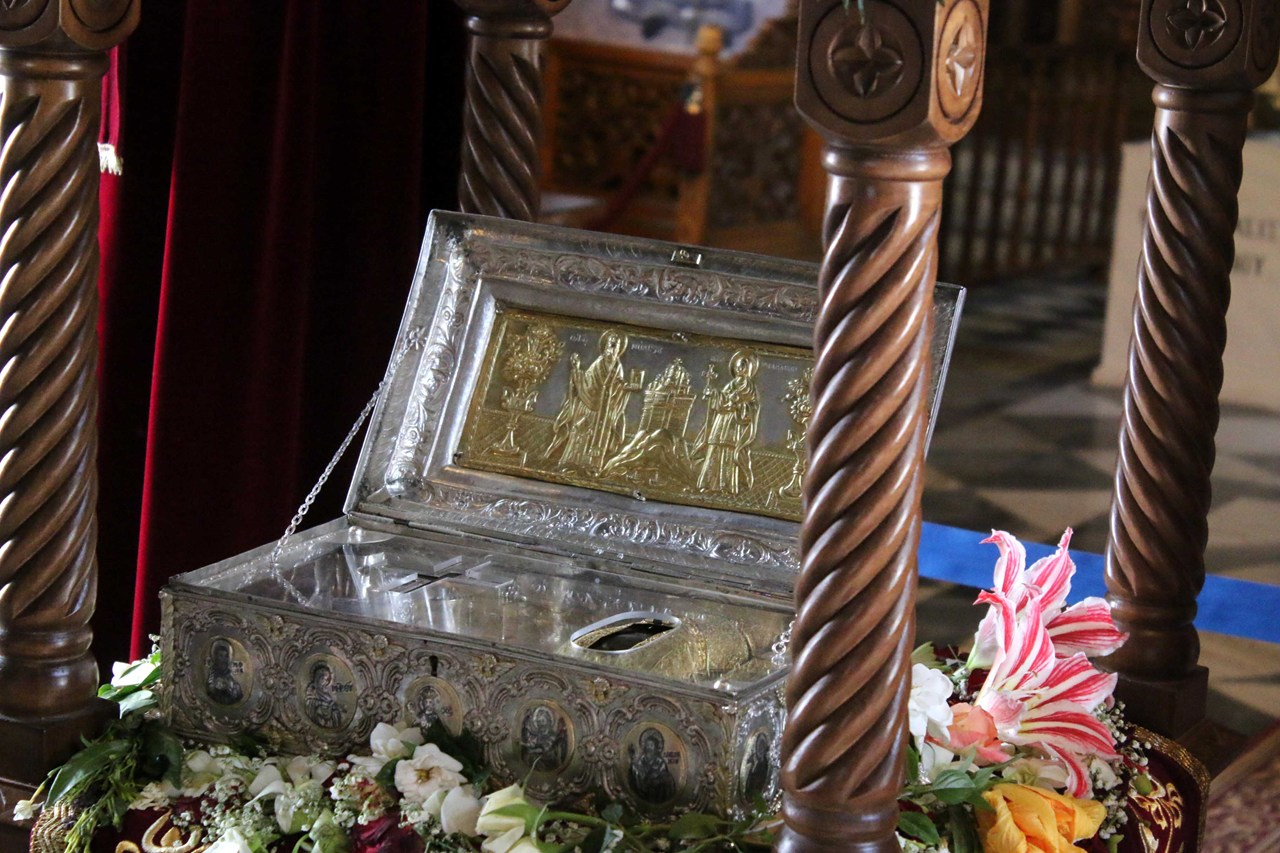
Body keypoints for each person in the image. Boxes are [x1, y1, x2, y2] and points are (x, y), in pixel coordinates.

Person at [548, 330, 641, 474]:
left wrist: (626, 387)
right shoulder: (598, 364)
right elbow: (586, 383)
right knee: (580, 436)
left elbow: (618, 386)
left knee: (599, 440)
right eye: (610, 344)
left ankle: (592, 467)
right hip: (588, 407)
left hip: (604, 412)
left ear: (619, 349)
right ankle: (570, 464)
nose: (612, 349)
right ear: (605, 346)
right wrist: (576, 370)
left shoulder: (617, 367)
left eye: (616, 346)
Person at [695, 350, 760, 494]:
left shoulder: (749, 387)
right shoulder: (731, 384)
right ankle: (708, 484)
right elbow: (722, 400)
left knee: (729, 452)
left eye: (743, 366)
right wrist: (713, 393)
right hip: (722, 420)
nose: (739, 369)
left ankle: (727, 486)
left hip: (734, 422)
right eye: (737, 366)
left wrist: (740, 404)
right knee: (715, 449)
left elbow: (753, 407)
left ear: (748, 369)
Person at [628, 726, 677, 804]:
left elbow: (663, 773)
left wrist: (655, 776)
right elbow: (638, 768)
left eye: (651, 745)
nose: (649, 748)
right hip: (643, 784)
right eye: (647, 745)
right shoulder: (642, 759)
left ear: (656, 748)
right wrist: (632, 759)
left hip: (656, 787)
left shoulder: (660, 761)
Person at [519, 704, 569, 771]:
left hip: (548, 760)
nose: (540, 724)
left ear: (548, 721)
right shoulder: (538, 734)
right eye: (538, 722)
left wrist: (533, 750)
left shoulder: (552, 735)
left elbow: (546, 749)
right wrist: (527, 745)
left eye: (542, 721)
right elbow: (534, 744)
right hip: (537, 759)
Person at [303, 660, 343, 729]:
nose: (326, 682)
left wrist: (334, 708)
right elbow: (309, 703)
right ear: (318, 678)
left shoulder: (326, 693)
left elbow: (331, 705)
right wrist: (322, 703)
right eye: (324, 679)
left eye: (328, 680)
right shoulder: (312, 690)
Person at [204, 638, 243, 705]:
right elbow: (211, 690)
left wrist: (234, 689)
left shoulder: (230, 677)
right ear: (215, 657)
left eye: (226, 656)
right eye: (221, 656)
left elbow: (238, 696)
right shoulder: (212, 676)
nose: (223, 660)